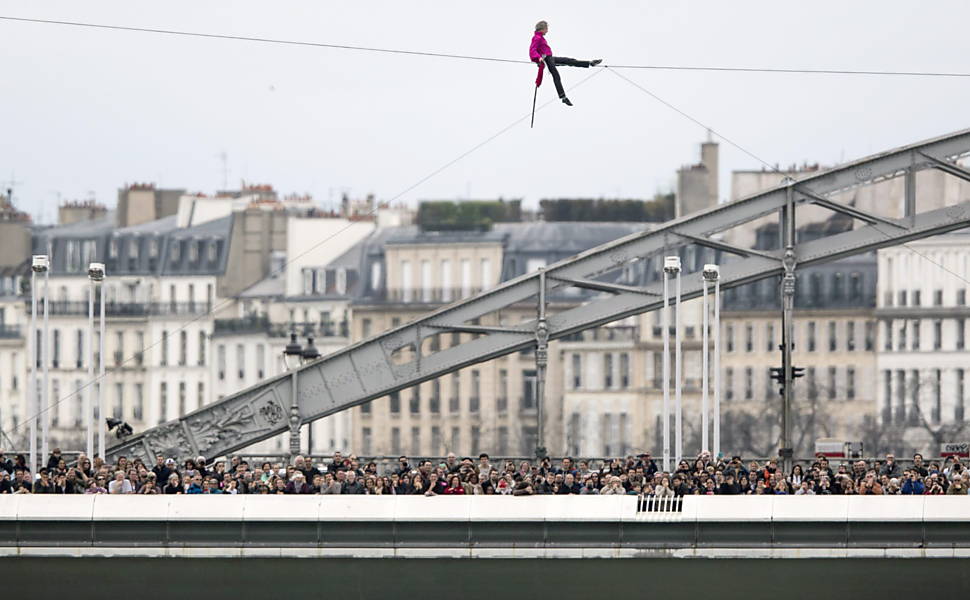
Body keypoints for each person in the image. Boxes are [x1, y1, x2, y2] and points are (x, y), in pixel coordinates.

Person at [529, 20, 602, 106]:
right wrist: (539, 58)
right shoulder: (536, 37)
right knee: (556, 75)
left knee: (569, 61)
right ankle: (563, 97)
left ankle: (590, 63)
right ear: (542, 29)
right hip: (546, 59)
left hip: (550, 58)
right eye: (546, 29)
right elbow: (532, 49)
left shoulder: (540, 37)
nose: (547, 31)